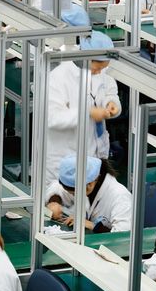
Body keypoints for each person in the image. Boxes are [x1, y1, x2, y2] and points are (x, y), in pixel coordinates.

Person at [45, 31, 120, 186]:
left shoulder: (99, 70)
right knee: (59, 202)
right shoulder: (59, 78)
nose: (99, 72)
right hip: (64, 156)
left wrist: (112, 104)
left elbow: (109, 89)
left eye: (103, 68)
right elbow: (52, 119)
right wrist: (88, 113)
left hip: (93, 152)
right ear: (85, 58)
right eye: (97, 67)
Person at [45, 155, 132, 233]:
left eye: (74, 193)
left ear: (89, 185)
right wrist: (54, 202)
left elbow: (123, 236)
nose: (73, 196)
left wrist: (92, 226)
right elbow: (57, 187)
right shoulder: (88, 181)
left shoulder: (120, 197)